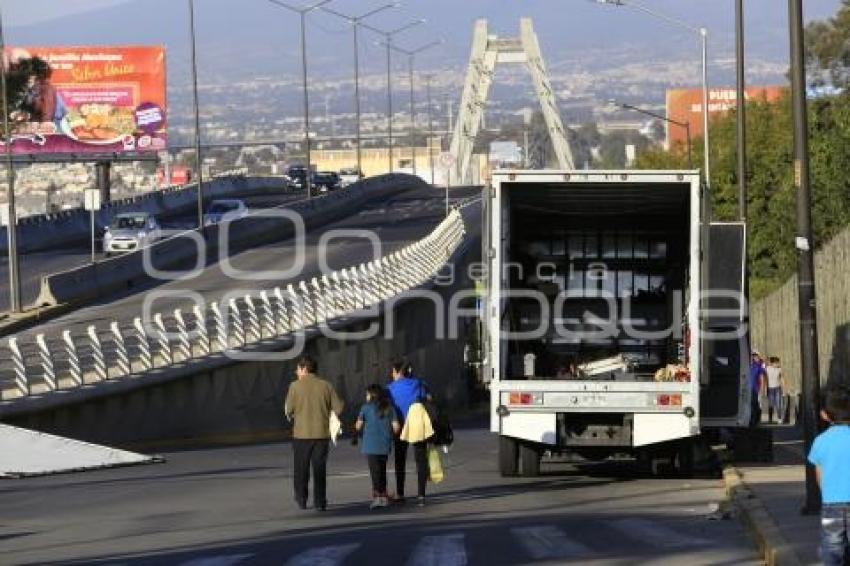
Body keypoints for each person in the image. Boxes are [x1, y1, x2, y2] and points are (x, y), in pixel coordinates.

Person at [284, 355, 344, 511]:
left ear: (304, 369)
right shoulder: (326, 386)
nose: (296, 371)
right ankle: (320, 501)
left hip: (301, 435)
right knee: (319, 468)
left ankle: (302, 499)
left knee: (301, 469)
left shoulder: (294, 386)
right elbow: (339, 408)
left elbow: (288, 410)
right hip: (321, 435)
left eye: (298, 368)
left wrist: (294, 414)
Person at [807, 384, 850, 566]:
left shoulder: (820, 441)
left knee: (832, 549)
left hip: (832, 503)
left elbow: (819, 476)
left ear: (824, 414)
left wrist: (828, 491)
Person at [387, 358, 431, 506]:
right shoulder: (418, 384)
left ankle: (400, 493)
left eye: (393, 371)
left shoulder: (390, 388)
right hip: (417, 425)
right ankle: (421, 495)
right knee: (421, 459)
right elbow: (427, 398)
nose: (392, 374)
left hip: (399, 426)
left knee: (400, 460)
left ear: (398, 372)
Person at [355, 384, 400, 509]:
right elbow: (396, 427)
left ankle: (377, 497)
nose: (366, 396)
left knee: (374, 471)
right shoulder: (390, 408)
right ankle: (383, 496)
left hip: (370, 445)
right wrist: (390, 433)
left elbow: (358, 426)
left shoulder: (365, 408)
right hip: (384, 444)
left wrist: (359, 426)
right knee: (382, 470)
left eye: (367, 394)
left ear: (372, 395)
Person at [765, 356, 786, 424]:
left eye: (778, 363)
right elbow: (764, 378)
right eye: (776, 363)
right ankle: (770, 419)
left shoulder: (779, 369)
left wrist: (784, 388)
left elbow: (782, 378)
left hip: (777, 388)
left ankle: (779, 418)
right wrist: (765, 389)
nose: (778, 364)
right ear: (772, 363)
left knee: (778, 404)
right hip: (770, 388)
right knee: (771, 404)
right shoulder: (767, 369)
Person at [749, 351, 767, 427]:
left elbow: (762, 378)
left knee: (754, 404)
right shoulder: (749, 365)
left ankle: (755, 420)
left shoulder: (759, 367)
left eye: (756, 356)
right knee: (750, 405)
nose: (755, 357)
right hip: (747, 389)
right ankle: (752, 420)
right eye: (753, 356)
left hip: (755, 389)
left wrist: (762, 389)